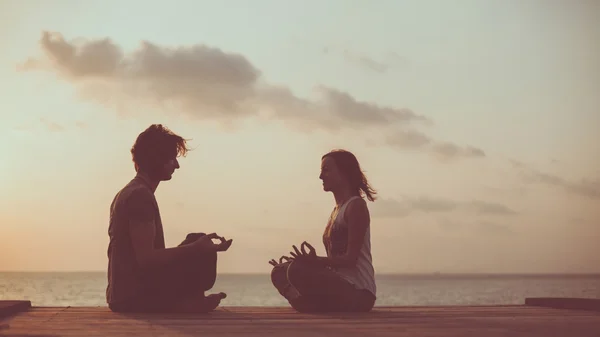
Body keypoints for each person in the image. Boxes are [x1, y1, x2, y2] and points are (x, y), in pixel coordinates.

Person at [106, 124, 233, 313]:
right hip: (132, 297)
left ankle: (190, 301)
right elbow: (146, 259)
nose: (177, 165)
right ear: (157, 159)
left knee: (196, 239)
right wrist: (196, 249)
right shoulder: (139, 196)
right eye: (172, 158)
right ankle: (187, 304)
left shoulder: (132, 191)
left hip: (124, 294)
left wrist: (196, 245)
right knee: (197, 244)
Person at [269, 149, 378, 313]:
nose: (321, 177)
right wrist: (304, 263)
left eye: (326, 170)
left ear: (344, 173)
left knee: (296, 269)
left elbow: (350, 260)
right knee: (279, 271)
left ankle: (309, 304)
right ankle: (311, 305)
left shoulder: (355, 206)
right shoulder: (336, 211)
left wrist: (314, 261)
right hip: (339, 285)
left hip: (359, 293)